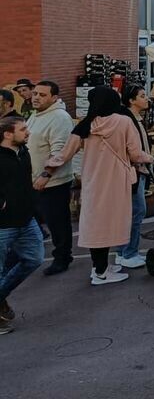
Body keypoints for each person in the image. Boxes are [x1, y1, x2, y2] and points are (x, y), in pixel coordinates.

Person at [44, 86, 154, 286]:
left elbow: (64, 154)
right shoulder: (123, 121)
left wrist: (46, 171)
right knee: (116, 221)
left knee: (96, 224)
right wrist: (150, 158)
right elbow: (136, 154)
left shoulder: (86, 125)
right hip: (117, 181)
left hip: (93, 181)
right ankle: (101, 273)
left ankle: (100, 266)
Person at [0, 117, 44, 334]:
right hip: (3, 225)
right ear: (8, 134)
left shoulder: (23, 152)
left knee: (34, 258)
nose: (28, 132)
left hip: (26, 220)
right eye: (23, 129)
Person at [26, 80, 74, 275]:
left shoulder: (59, 118)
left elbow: (59, 152)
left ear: (54, 98)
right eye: (35, 93)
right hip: (33, 181)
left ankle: (63, 257)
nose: (36, 97)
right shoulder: (36, 115)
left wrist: (46, 175)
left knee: (57, 222)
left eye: (42, 95)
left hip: (53, 182)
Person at [116, 84, 152, 269]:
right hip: (135, 170)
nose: (147, 98)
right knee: (136, 211)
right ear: (131, 100)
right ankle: (129, 252)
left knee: (131, 212)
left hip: (138, 169)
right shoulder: (127, 119)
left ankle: (123, 252)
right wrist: (148, 158)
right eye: (142, 96)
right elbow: (132, 150)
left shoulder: (136, 118)